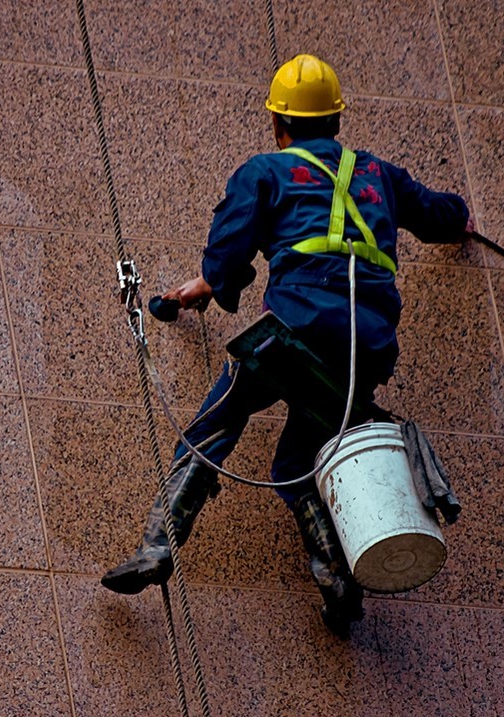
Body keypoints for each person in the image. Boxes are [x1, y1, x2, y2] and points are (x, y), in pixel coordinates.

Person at [100, 54, 471, 637]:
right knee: (299, 463)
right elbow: (442, 214)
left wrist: (217, 283)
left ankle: (159, 544)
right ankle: (333, 572)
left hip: (296, 330)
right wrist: (462, 222)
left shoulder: (266, 171)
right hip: (365, 350)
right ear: (336, 121)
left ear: (279, 122)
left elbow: (226, 254)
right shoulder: (379, 175)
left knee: (216, 423)